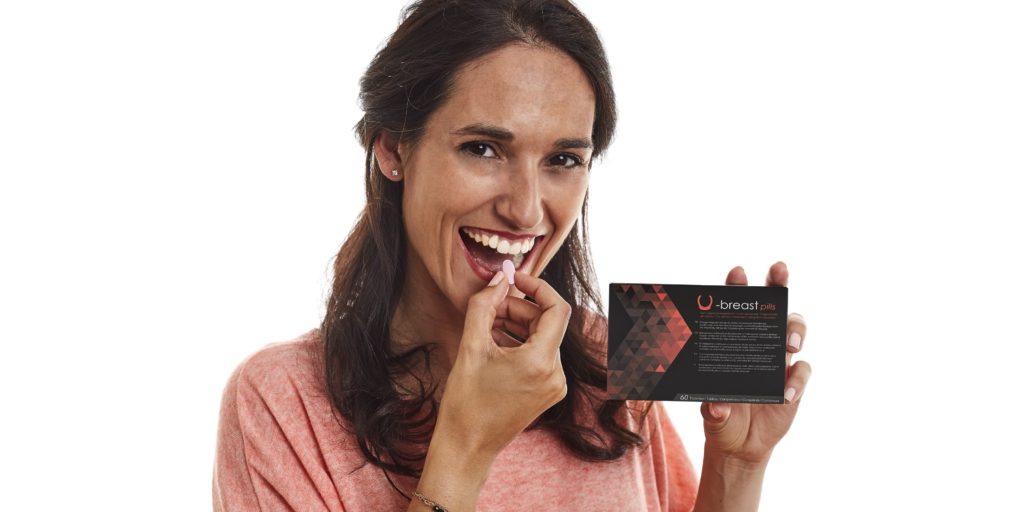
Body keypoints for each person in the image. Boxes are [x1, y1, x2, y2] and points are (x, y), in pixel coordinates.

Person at [212, 0, 812, 510]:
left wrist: (738, 467)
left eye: (563, 160)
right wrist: (466, 444)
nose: (526, 212)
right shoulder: (283, 401)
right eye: (483, 148)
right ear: (394, 149)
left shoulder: (613, 362)